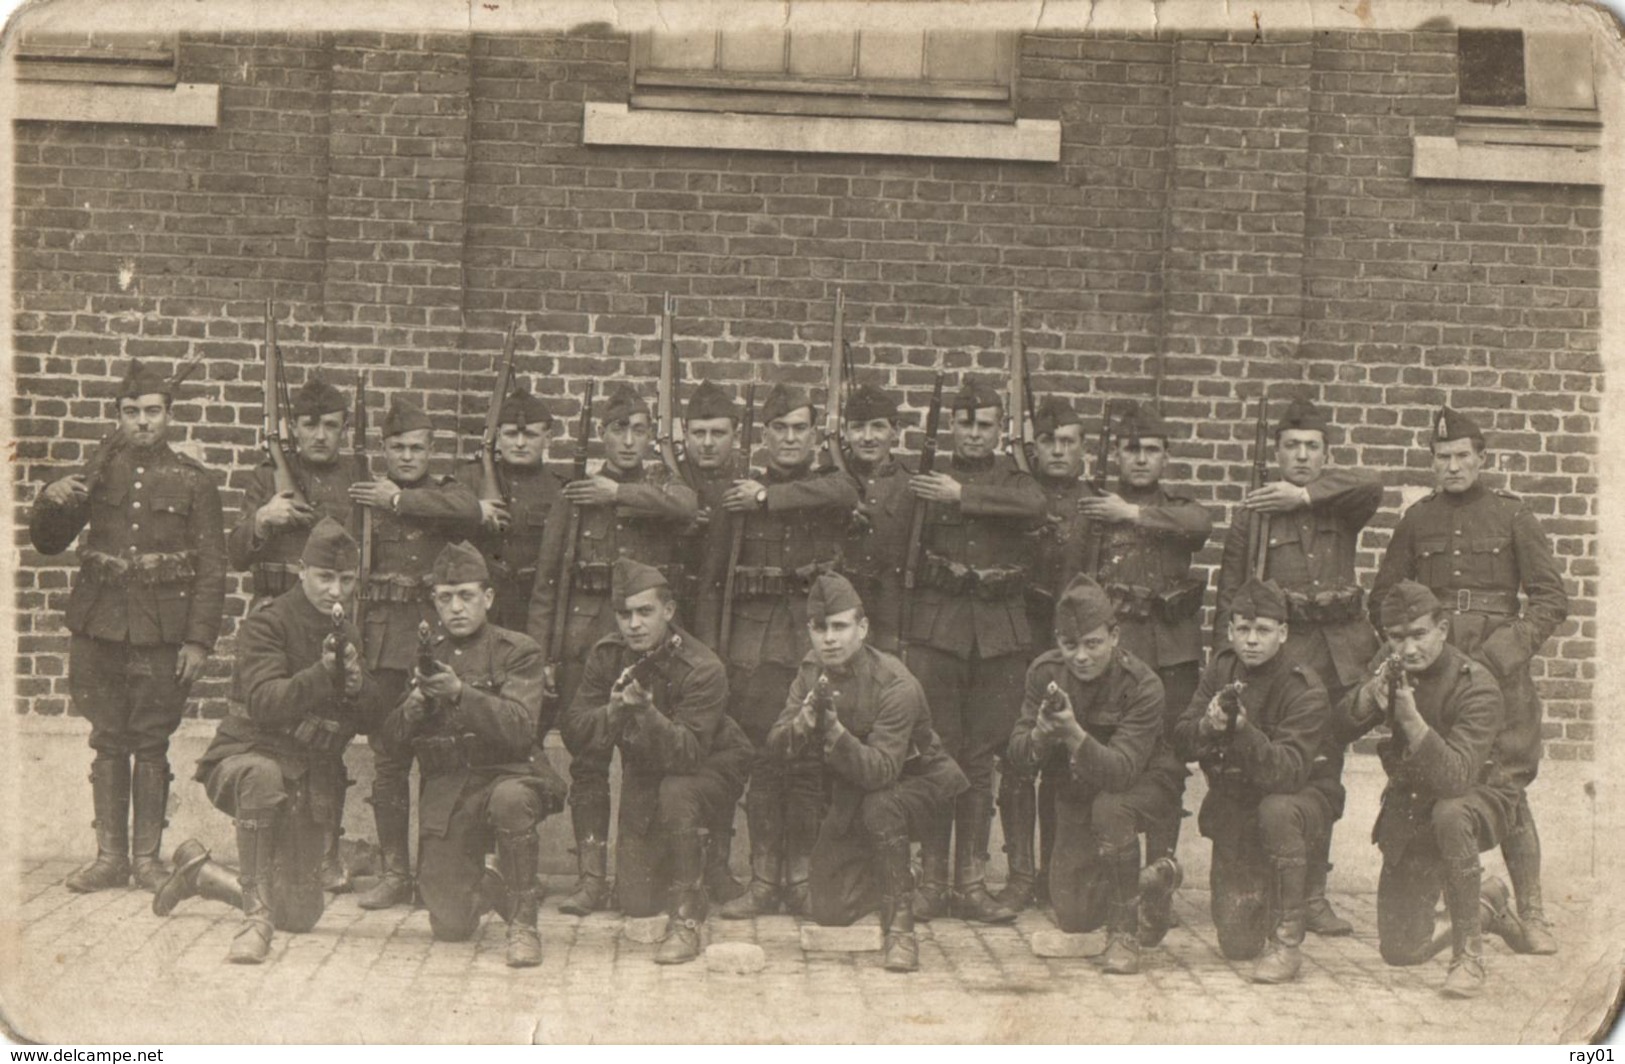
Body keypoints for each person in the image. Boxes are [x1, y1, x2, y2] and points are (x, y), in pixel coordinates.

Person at [1370, 406, 1569, 955]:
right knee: (1442, 779)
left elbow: (1552, 599)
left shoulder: (1513, 516)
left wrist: (1501, 656)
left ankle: (1532, 912)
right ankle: (1468, 905)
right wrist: (1415, 655)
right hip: (1439, 682)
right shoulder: (1416, 520)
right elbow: (1382, 597)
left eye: (1462, 457)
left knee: (1506, 784)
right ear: (1431, 462)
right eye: (1442, 458)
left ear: (1482, 459)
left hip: (1500, 677)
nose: (1452, 466)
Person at [30, 359, 227, 894]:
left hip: (161, 634)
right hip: (99, 627)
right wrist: (50, 499)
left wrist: (198, 640)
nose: (142, 422)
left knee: (152, 740)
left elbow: (213, 568)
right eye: (131, 412)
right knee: (108, 739)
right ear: (118, 415)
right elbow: (49, 541)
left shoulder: (194, 481)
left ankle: (147, 860)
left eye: (153, 412)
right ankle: (109, 858)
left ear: (169, 416)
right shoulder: (96, 474)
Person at [152, 519, 377, 963]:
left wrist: (356, 686)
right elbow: (264, 703)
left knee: (300, 913)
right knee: (262, 774)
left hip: (304, 776)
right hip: (244, 757)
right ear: (301, 571)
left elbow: (367, 719)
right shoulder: (268, 622)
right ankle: (255, 919)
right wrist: (323, 674)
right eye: (325, 578)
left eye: (346, 580)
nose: (336, 591)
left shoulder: (347, 631)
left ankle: (201, 875)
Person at [528, 383, 699, 916]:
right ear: (602, 435)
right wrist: (544, 657)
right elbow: (548, 581)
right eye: (618, 430)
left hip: (649, 649)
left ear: (653, 437)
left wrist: (617, 494)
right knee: (588, 762)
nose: (629, 441)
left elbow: (685, 506)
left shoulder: (662, 486)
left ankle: (641, 868)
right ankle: (590, 875)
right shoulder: (574, 494)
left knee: (648, 757)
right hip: (588, 643)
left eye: (640, 431)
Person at [1213, 397, 1380, 938]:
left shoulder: (1339, 505)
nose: (1302, 456)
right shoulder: (1253, 515)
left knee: (1325, 772)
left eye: (1312, 448)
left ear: (1325, 455)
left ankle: (1313, 894)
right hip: (1283, 660)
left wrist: (1304, 495)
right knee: (1275, 767)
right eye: (1292, 447)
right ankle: (1273, 886)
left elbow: (1373, 484)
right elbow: (1230, 597)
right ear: (1276, 452)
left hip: (1336, 659)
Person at [696, 383, 861, 918]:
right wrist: (713, 656)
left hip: (817, 649)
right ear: (763, 436)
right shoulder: (738, 493)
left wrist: (770, 498)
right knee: (766, 762)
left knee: (813, 767)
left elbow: (845, 492)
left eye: (799, 428)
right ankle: (765, 878)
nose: (789, 438)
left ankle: (804, 878)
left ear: (816, 435)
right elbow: (713, 583)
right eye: (779, 429)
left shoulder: (828, 484)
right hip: (755, 647)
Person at [765, 573, 967, 972]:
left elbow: (883, 771)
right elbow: (775, 748)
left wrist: (835, 731)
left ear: (863, 628)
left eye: (840, 626)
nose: (829, 638)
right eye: (819, 628)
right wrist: (803, 723)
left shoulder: (894, 682)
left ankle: (901, 930)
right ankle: (896, 874)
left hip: (919, 786)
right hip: (859, 789)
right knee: (829, 909)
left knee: (881, 805)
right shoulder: (809, 674)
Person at [899, 378, 1046, 923]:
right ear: (952, 426)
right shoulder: (927, 477)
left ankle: (972, 882)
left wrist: (964, 497)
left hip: (999, 636)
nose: (974, 434)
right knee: (939, 753)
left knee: (982, 757)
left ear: (999, 429)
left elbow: (1033, 506)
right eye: (966, 423)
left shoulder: (1015, 481)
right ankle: (934, 880)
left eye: (985, 424)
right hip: (939, 632)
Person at [379, 541, 566, 966]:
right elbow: (389, 744)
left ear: (488, 598)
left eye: (466, 595)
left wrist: (461, 694)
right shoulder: (424, 655)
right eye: (445, 598)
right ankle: (492, 883)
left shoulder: (517, 650)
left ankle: (524, 924)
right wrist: (410, 710)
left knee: (510, 802)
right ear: (434, 603)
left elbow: (520, 730)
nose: (456, 608)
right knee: (450, 924)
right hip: (449, 789)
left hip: (508, 774)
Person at [1067, 399, 1212, 937]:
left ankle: (1161, 878)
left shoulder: (1177, 508)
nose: (1142, 459)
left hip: (1170, 656)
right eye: (1132, 450)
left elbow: (1200, 525)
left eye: (1152, 450)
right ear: (1118, 456)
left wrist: (1131, 514)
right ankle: (1111, 874)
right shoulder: (1092, 510)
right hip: (1114, 663)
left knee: (1169, 763)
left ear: (1167, 457)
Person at [1341, 582, 1527, 998]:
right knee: (1402, 950)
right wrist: (1369, 696)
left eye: (1418, 635)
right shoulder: (1389, 666)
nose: (1407, 649)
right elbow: (1334, 730)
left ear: (1442, 629)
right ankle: (1487, 904)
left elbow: (1458, 777)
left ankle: (1468, 958)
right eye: (1396, 637)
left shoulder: (1474, 683)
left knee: (1451, 812)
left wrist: (1411, 721)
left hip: (1479, 797)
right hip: (1413, 803)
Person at [563, 558, 752, 963]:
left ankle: (689, 918)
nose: (633, 624)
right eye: (624, 614)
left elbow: (687, 753)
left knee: (678, 791)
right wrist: (612, 711)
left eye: (645, 612)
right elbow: (575, 732)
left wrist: (647, 713)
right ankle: (690, 866)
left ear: (668, 611)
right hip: (649, 772)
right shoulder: (608, 656)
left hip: (711, 765)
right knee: (637, 900)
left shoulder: (701, 667)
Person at [1006, 575, 1185, 974]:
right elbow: (1018, 758)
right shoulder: (1043, 673)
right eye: (1070, 645)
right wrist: (1038, 735)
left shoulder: (1142, 684)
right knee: (1073, 915)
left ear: (1114, 636)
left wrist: (1070, 733)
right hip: (1080, 788)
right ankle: (1152, 882)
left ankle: (1124, 936)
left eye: (1093, 644)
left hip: (1145, 785)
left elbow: (1121, 772)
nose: (1081, 657)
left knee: (1111, 809)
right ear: (1058, 640)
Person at [227, 373, 365, 893]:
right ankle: (269, 847)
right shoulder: (268, 478)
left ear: (345, 429)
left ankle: (326, 853)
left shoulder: (357, 475)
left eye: (331, 425)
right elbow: (236, 552)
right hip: (278, 621)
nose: (320, 435)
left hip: (332, 616)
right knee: (271, 729)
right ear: (292, 429)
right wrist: (264, 519)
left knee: (331, 735)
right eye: (310, 425)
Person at [346, 397, 483, 910]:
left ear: (432, 451)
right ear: (383, 449)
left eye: (417, 448)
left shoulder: (444, 494)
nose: (407, 457)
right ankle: (394, 872)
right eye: (398, 448)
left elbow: (468, 511)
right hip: (382, 647)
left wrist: (397, 502)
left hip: (433, 646)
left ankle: (434, 872)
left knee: (441, 758)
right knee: (388, 760)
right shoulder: (361, 494)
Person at [1172, 578, 1332, 984]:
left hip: (1295, 804)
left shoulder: (1303, 686)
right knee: (1238, 945)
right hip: (1236, 810)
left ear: (1283, 632)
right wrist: (1208, 726)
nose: (1252, 641)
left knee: (1276, 810)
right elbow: (1181, 739)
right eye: (1243, 629)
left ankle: (1287, 938)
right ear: (1229, 632)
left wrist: (1242, 731)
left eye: (1263, 630)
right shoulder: (1221, 668)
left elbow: (1289, 772)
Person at [995, 395, 1088, 913]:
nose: (1057, 450)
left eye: (1067, 442)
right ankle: (1019, 874)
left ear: (1082, 448)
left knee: (1063, 759)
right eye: (1048, 441)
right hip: (1015, 639)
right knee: (1017, 758)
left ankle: (1056, 871)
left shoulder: (1091, 506)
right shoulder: (1014, 496)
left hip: (1069, 646)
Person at [678, 379, 749, 903]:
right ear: (683, 435)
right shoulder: (666, 483)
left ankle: (718, 864)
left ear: (736, 437)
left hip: (726, 638)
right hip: (669, 640)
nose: (708, 443)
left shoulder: (745, 490)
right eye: (698, 432)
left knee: (722, 755)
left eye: (718, 433)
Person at [456, 388, 561, 631]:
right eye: (511, 434)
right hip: (482, 608)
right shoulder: (470, 479)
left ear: (548, 439)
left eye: (531, 435)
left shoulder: (559, 488)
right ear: (497, 437)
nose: (520, 443)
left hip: (535, 609)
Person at [838, 383, 913, 654]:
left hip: (893, 617)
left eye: (878, 427)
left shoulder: (912, 485)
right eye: (857, 427)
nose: (867, 437)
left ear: (896, 432)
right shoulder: (829, 478)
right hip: (840, 617)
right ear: (845, 432)